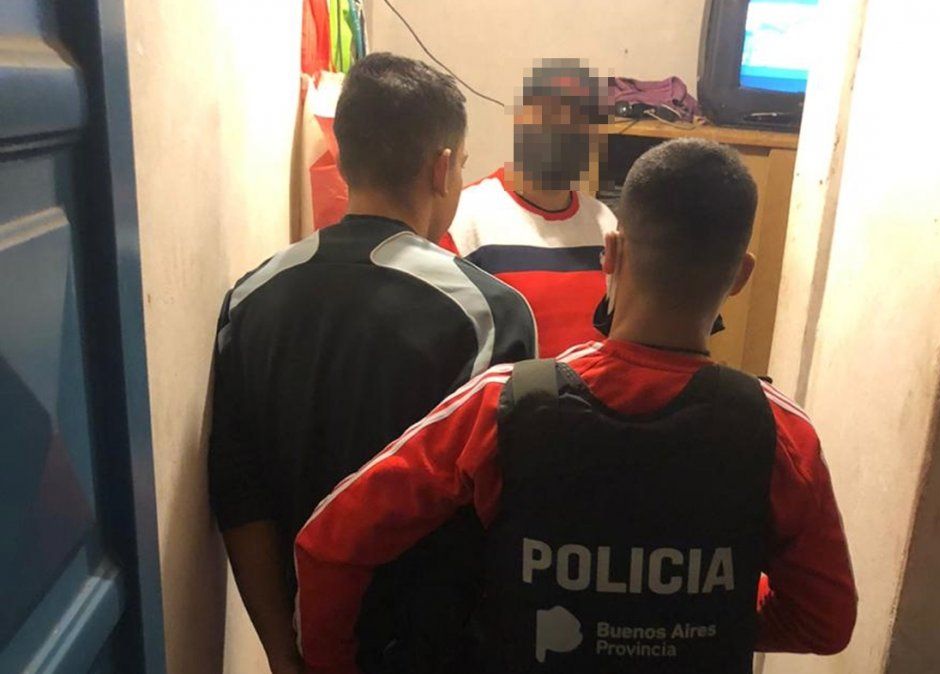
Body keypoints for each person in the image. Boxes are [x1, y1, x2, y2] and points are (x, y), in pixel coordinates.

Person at [295, 138, 858, 673]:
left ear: (610, 253)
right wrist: (700, 616)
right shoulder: (781, 432)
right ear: (740, 275)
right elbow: (825, 621)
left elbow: (328, 545)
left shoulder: (500, 405)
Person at [208, 53, 537, 674]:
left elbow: (238, 495)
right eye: (462, 164)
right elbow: (508, 514)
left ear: (345, 158)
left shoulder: (249, 298)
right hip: (437, 652)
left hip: (305, 645)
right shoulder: (491, 312)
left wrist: (282, 652)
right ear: (441, 168)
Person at [440, 58, 618, 358]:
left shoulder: (606, 224)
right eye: (552, 117)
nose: (566, 134)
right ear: (520, 121)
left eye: (582, 123)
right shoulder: (463, 219)